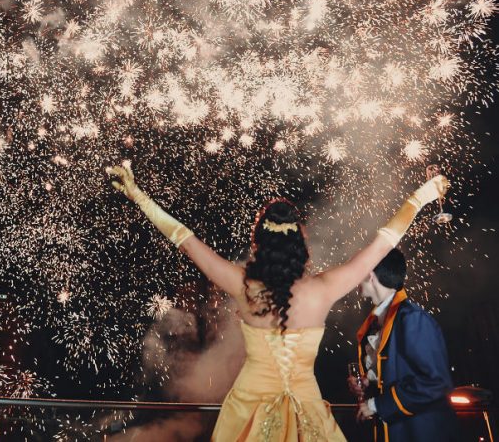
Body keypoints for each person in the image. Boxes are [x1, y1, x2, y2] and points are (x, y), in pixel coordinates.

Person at [107, 162, 448, 441]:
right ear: (300, 246)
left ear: (259, 243)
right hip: (309, 412)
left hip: (247, 412)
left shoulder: (242, 286)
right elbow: (384, 242)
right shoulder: (325, 288)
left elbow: (183, 237)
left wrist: (139, 196)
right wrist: (421, 196)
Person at [348, 248, 458, 441]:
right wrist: (368, 383)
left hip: (422, 432)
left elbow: (436, 382)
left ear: (370, 275)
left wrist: (376, 405)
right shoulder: (376, 322)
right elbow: (393, 374)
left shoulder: (413, 319)